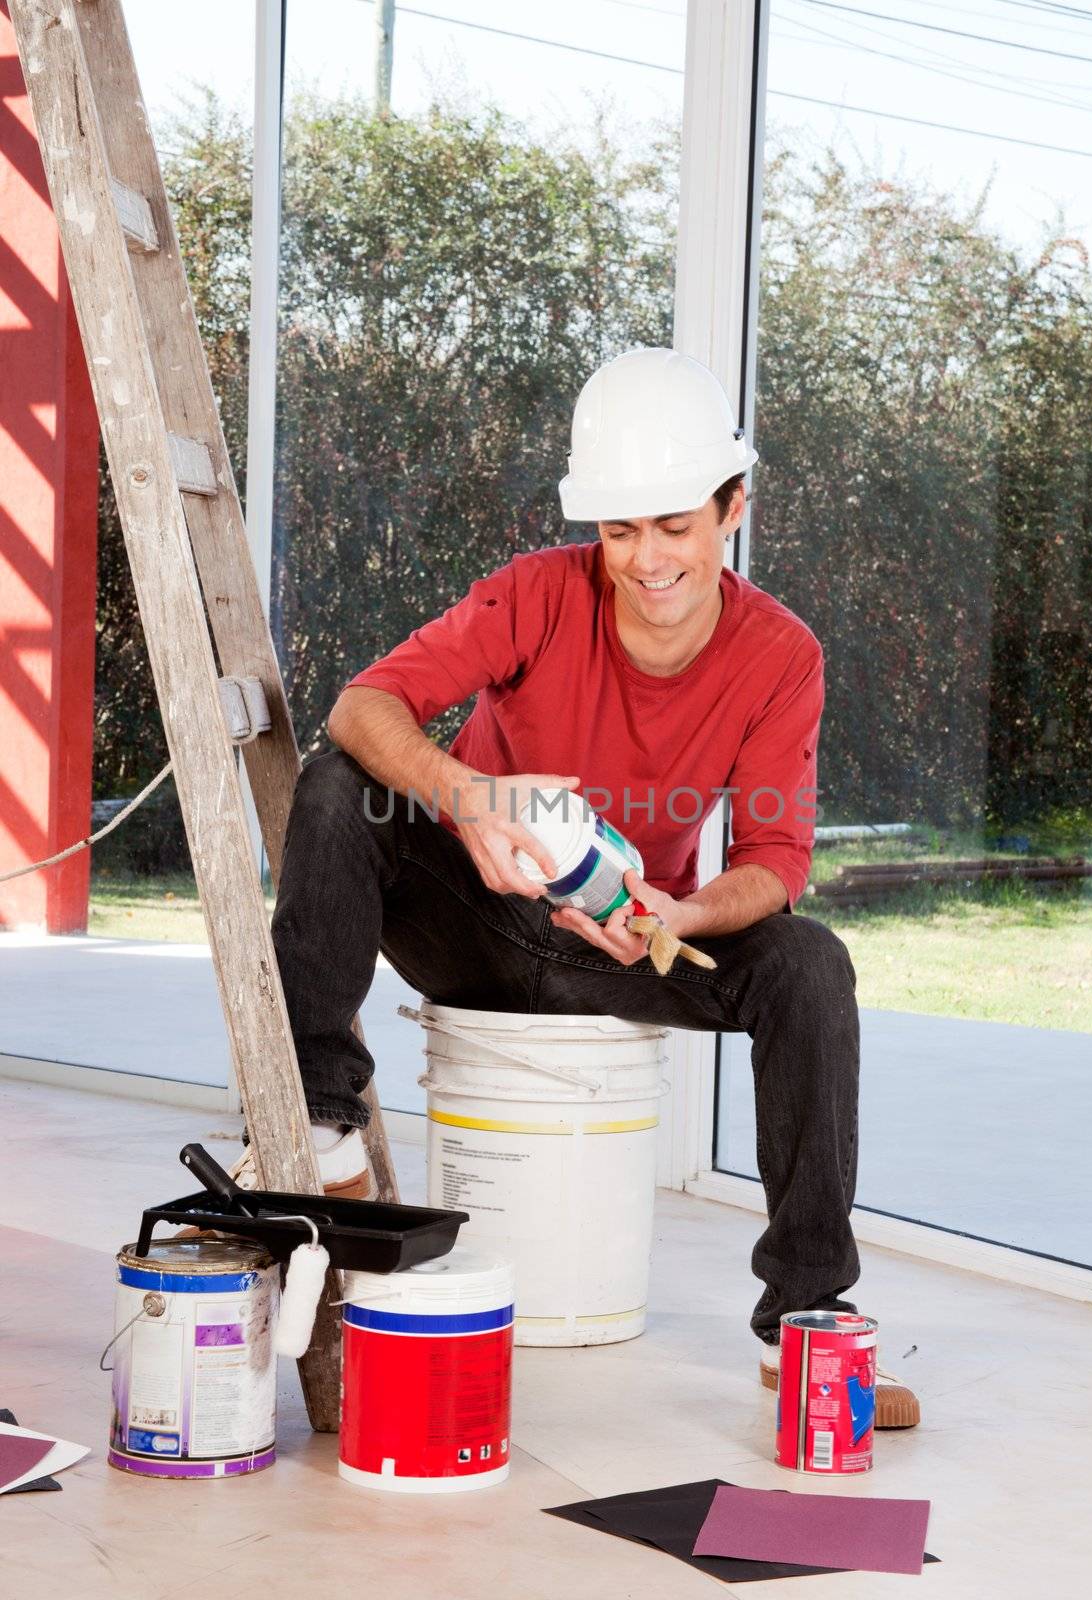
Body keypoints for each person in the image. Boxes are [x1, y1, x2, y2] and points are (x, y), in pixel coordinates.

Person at [246, 346, 917, 1424]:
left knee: (811, 964)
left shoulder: (781, 654)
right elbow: (362, 706)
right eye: (618, 531)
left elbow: (777, 862)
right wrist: (466, 796)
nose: (646, 560)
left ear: (731, 509)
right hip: (478, 915)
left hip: (630, 942)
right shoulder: (537, 597)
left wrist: (682, 911)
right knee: (339, 784)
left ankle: (806, 1319)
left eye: (673, 526)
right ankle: (322, 1116)